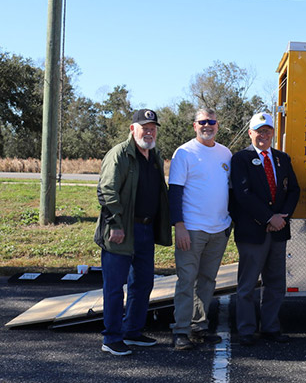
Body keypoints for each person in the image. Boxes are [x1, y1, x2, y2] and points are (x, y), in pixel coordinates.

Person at [94, 109, 171, 356]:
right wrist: (115, 225)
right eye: (144, 127)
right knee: (115, 287)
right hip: (121, 230)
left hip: (146, 229)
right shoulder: (119, 154)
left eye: (152, 128)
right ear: (132, 129)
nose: (149, 132)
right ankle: (112, 337)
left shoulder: (154, 156)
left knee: (143, 283)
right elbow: (106, 191)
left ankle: (132, 332)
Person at [230, 112, 300, 346]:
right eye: (259, 131)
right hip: (253, 232)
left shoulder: (282, 159)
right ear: (250, 133)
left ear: (273, 133)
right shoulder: (241, 159)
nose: (264, 135)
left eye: (268, 130)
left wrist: (282, 217)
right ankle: (247, 330)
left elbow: (294, 191)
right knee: (248, 285)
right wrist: (269, 217)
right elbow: (243, 194)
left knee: (275, 284)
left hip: (278, 231)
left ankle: (270, 327)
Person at [168, 108, 232, 350]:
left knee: (207, 281)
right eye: (202, 122)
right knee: (186, 280)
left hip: (219, 229)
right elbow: (174, 193)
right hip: (192, 229)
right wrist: (180, 226)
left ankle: (198, 327)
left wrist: (228, 224)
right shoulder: (184, 153)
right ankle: (181, 330)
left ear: (217, 125)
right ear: (194, 125)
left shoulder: (225, 153)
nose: (207, 125)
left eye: (211, 122)